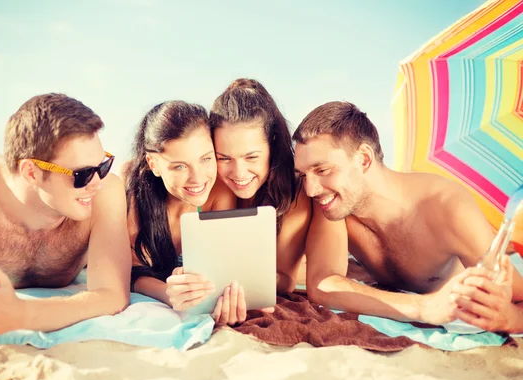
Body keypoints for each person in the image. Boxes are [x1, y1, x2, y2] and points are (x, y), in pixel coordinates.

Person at [292, 100, 523, 332]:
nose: (311, 189)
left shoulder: (446, 206)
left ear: (363, 158)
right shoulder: (334, 204)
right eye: (303, 175)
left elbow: (517, 298)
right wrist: (423, 307)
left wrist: (510, 319)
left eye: (322, 170)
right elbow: (322, 285)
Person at [0, 93, 131, 336]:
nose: (97, 183)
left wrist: (20, 314)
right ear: (31, 173)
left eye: (103, 166)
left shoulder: (105, 192)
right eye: (82, 174)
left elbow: (112, 295)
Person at [122, 101, 244, 326]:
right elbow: (130, 272)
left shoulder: (220, 192)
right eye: (180, 166)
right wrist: (168, 293)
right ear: (153, 164)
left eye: (206, 159)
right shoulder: (132, 185)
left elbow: (221, 271)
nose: (198, 179)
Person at [209, 79, 312, 294]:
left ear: (272, 145)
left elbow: (285, 280)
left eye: (251, 157)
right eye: (224, 158)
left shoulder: (294, 192)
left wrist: (230, 281)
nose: (239, 173)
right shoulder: (209, 182)